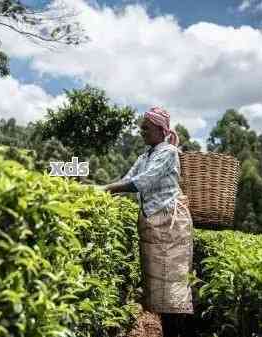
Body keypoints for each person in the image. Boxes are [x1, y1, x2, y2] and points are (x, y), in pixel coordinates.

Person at [100, 107, 196, 337]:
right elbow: (127, 180)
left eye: (146, 127)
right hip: (154, 226)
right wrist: (99, 190)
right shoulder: (145, 156)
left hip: (170, 225)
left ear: (161, 129)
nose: (141, 131)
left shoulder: (169, 152)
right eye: (141, 127)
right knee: (160, 292)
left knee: (173, 291)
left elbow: (144, 181)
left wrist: (105, 189)